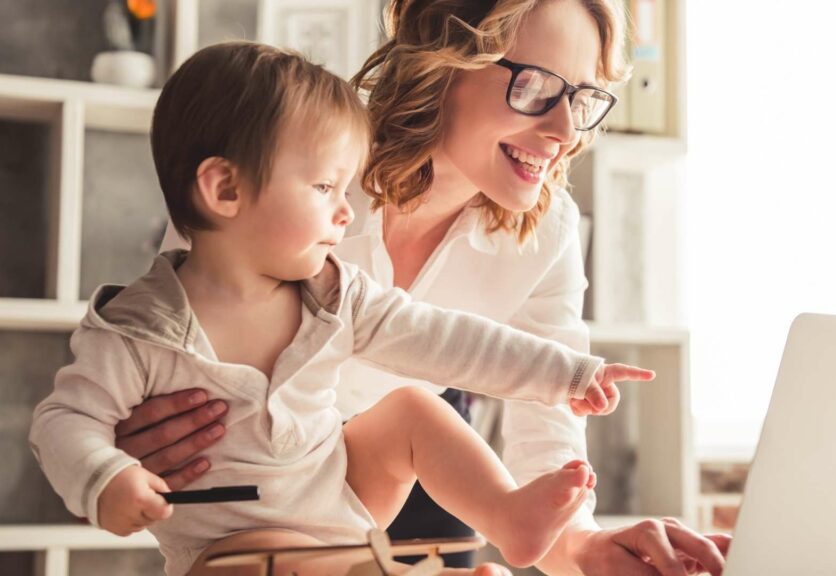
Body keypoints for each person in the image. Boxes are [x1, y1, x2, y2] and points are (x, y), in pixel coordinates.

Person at [121, 1, 732, 574]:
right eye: (536, 87)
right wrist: (120, 442)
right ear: (442, 63)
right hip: (255, 502)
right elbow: (154, 363)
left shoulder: (548, 232)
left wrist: (585, 547)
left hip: (416, 471)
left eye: (583, 97)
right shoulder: (291, 177)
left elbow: (545, 427)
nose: (564, 131)